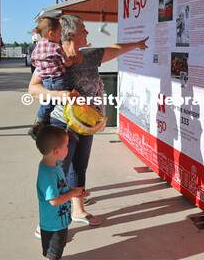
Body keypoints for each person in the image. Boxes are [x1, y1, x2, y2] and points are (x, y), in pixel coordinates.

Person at [29, 14, 148, 228]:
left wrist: (138, 44)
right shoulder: (52, 57)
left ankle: (77, 210)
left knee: (79, 167)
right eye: (84, 29)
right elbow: (33, 89)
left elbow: (116, 48)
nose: (87, 33)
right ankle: (46, 221)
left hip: (86, 124)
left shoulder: (90, 55)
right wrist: (61, 95)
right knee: (58, 171)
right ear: (72, 33)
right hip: (61, 125)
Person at [36, 125, 86, 260]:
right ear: (57, 151)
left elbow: (61, 186)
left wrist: (73, 190)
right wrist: (72, 194)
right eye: (66, 146)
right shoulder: (47, 174)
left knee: (59, 247)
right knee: (54, 253)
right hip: (52, 225)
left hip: (59, 221)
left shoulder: (54, 166)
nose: (68, 149)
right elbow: (54, 200)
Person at [28, 17, 72, 140]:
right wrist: (71, 61)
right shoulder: (56, 47)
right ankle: (71, 129)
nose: (61, 36)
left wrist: (43, 67)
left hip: (46, 81)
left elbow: (33, 63)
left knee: (46, 103)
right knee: (69, 101)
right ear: (51, 33)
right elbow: (66, 62)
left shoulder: (36, 48)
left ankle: (36, 126)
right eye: (60, 33)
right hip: (60, 79)